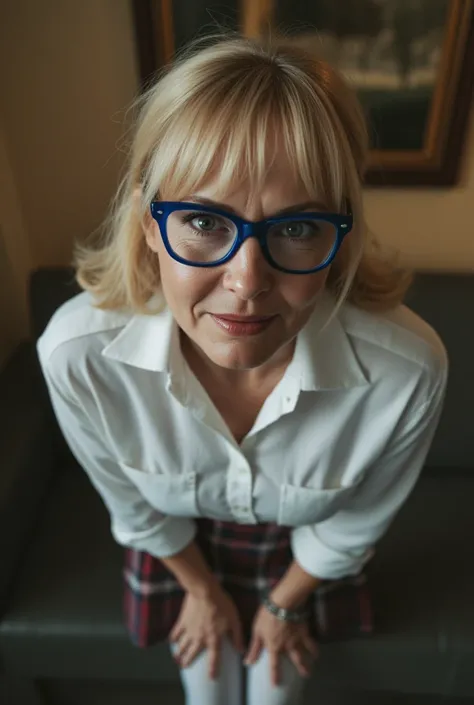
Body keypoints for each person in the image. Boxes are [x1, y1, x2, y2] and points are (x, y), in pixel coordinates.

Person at [37, 33, 448, 705]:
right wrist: (200, 589)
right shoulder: (77, 355)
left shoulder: (408, 372)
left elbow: (356, 522)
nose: (247, 281)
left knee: (275, 691)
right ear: (147, 218)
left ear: (339, 234)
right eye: (202, 218)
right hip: (177, 548)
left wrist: (284, 606)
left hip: (307, 557)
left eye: (295, 228)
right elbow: (134, 507)